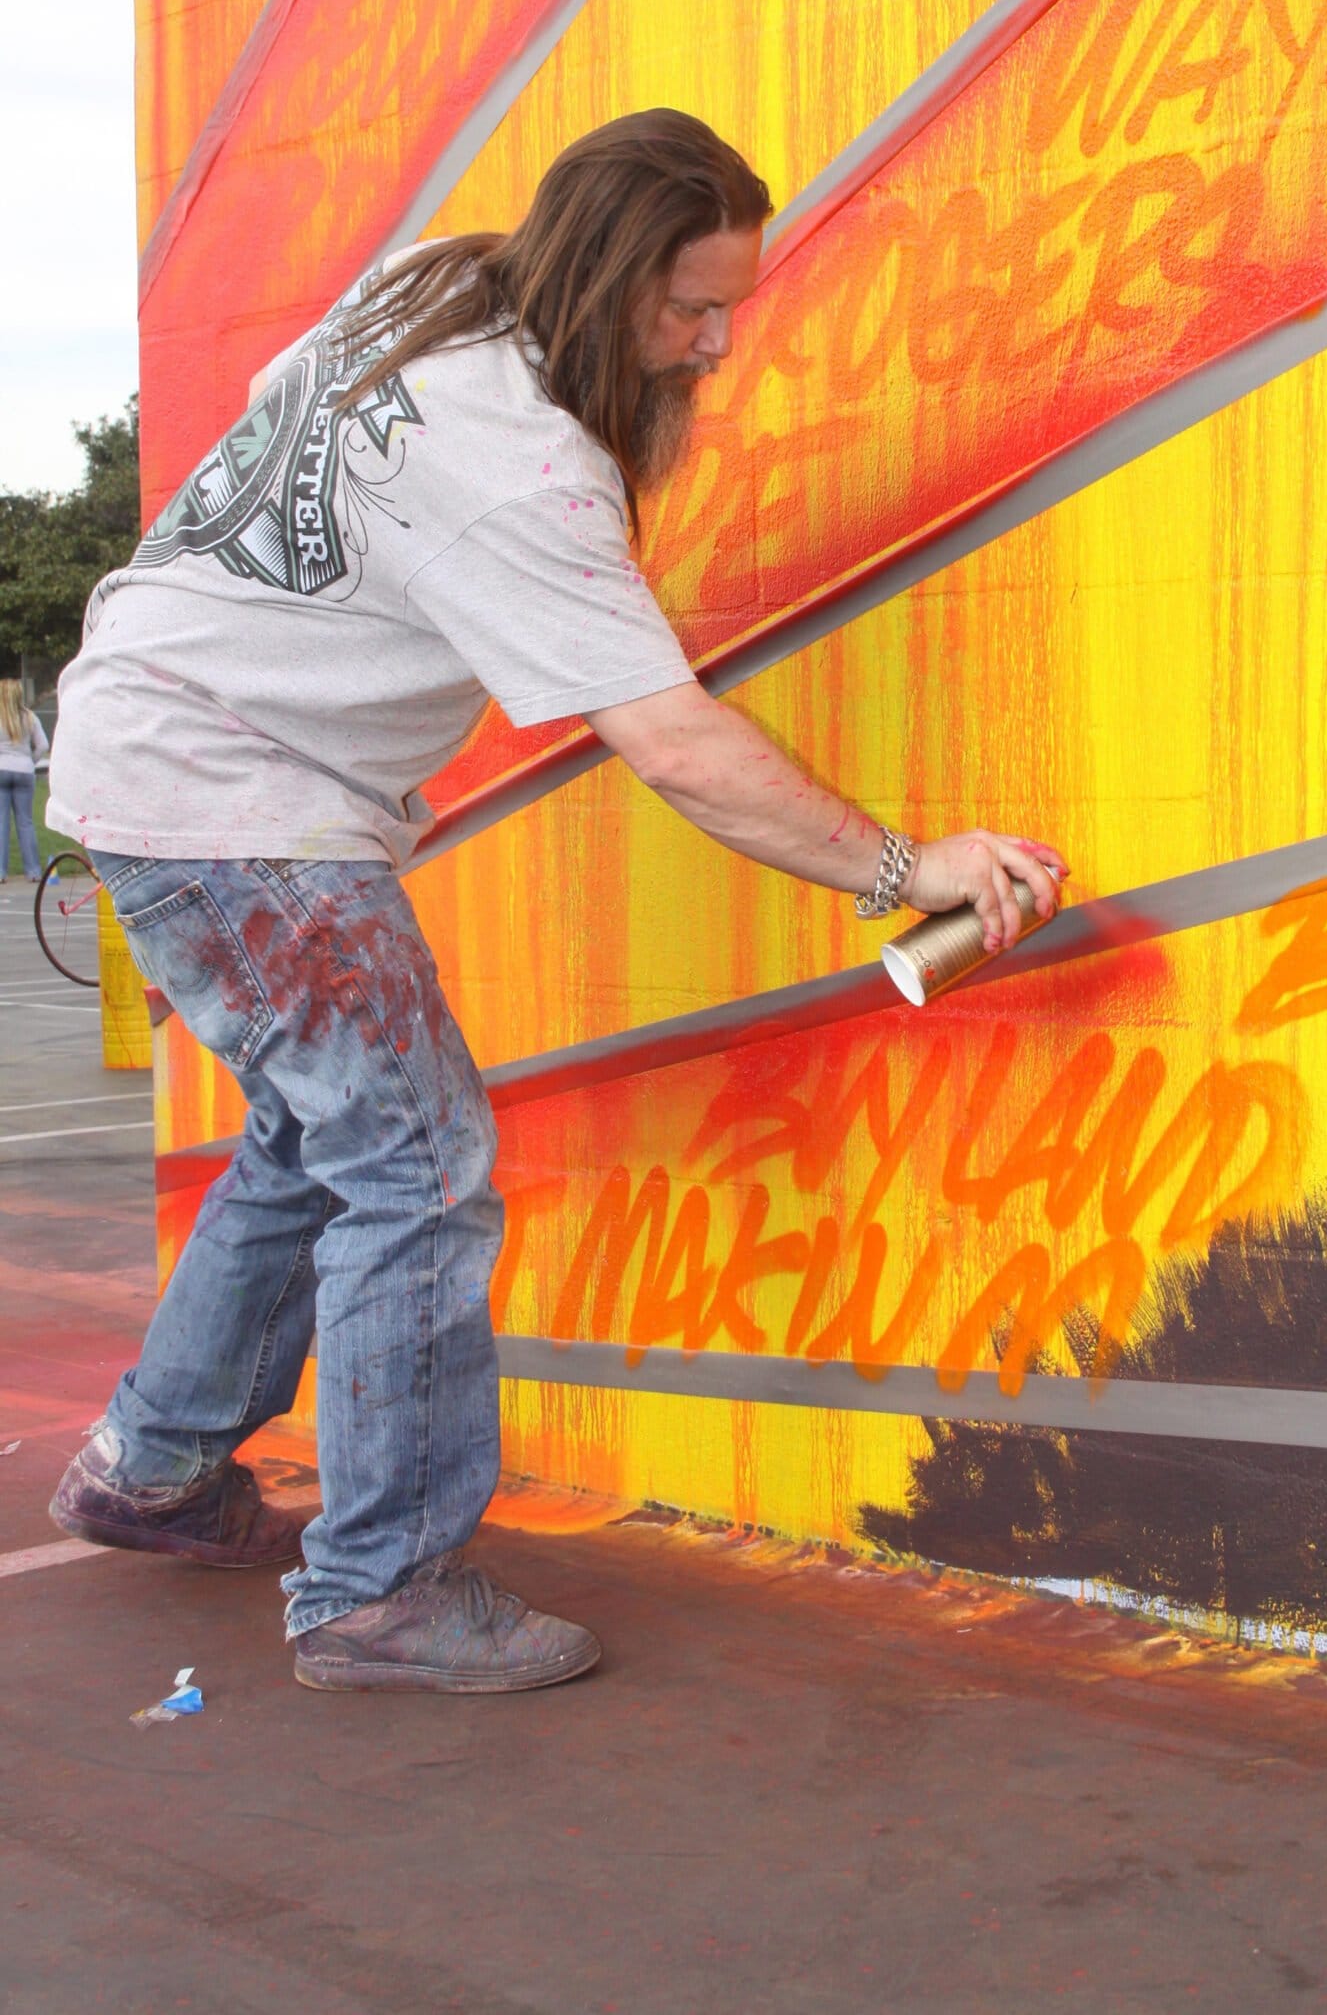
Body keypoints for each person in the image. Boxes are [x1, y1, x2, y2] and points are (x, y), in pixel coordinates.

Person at [45, 111, 1066, 1696]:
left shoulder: (438, 282)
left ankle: (154, 1467)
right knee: (416, 1161)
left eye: (731, 303)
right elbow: (675, 744)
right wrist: (901, 869)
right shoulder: (514, 468)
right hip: (234, 794)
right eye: (688, 309)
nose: (716, 346)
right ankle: (379, 1590)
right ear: (600, 281)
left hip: (166, 745)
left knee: (320, 1134)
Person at [0, 680, 49, 884]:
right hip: (24, 770)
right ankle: (34, 871)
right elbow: (43, 745)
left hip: (2, 769)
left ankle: (1, 872)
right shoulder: (30, 717)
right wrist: (31, 761)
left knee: (2, 823)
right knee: (25, 822)